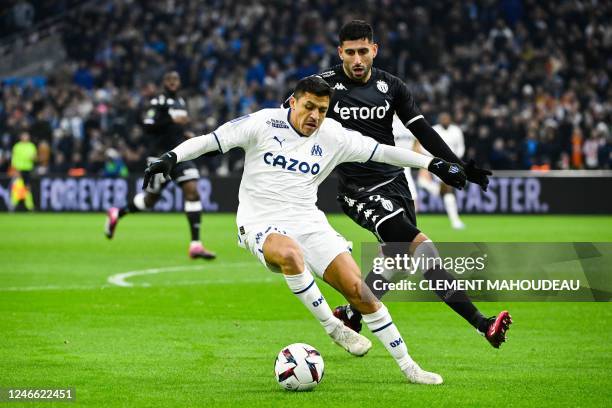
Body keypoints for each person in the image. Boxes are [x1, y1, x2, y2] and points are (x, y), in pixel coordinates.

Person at [143, 76, 469, 384]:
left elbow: (382, 152)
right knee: (290, 254)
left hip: (307, 220)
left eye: (322, 110)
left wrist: (432, 163)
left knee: (360, 292)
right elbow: (210, 140)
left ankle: (410, 368)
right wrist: (172, 156)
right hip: (259, 220)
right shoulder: (263, 123)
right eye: (309, 107)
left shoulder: (333, 136)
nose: (315, 116)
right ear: (292, 103)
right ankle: (333, 327)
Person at [296, 20, 511, 348]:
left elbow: (423, 130)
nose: (357, 59)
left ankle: (353, 314)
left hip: (396, 182)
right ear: (340, 52)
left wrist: (458, 166)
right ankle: (482, 324)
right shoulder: (323, 86)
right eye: (350, 52)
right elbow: (290, 118)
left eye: (363, 52)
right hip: (358, 189)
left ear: (374, 50)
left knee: (396, 258)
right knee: (421, 247)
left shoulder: (392, 86)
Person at [105, 71, 215, 259]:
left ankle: (195, 245)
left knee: (192, 191)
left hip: (180, 154)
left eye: (176, 80)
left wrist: (185, 134)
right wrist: (171, 120)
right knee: (149, 201)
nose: (173, 83)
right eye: (169, 80)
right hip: (159, 157)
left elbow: (176, 128)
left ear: (179, 82)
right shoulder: (158, 102)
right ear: (164, 83)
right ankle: (118, 213)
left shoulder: (181, 102)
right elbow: (148, 125)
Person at [417, 112, 466, 229]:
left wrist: (456, 158)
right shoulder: (434, 129)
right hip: (438, 163)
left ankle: (455, 220)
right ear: (439, 119)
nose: (445, 120)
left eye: (447, 118)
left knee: (447, 191)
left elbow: (461, 147)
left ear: (450, 119)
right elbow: (425, 147)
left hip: (453, 164)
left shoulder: (456, 130)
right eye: (443, 118)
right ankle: (455, 221)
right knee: (445, 190)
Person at [10, 131, 37, 211]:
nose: (25, 137)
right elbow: (14, 159)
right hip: (18, 170)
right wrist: (15, 170)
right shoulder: (17, 146)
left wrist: (33, 158)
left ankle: (30, 206)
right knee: (17, 187)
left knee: (27, 188)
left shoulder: (31, 146)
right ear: (21, 137)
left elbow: (35, 157)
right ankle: (13, 205)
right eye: (24, 136)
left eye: (27, 136)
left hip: (28, 170)